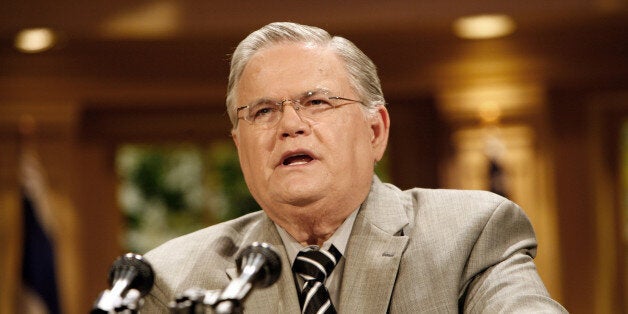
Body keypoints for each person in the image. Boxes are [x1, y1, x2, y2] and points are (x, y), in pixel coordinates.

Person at [142, 22, 566, 313]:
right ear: (240, 146)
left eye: (317, 102)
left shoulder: (469, 235)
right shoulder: (173, 276)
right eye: (263, 111)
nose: (290, 125)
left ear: (375, 131)